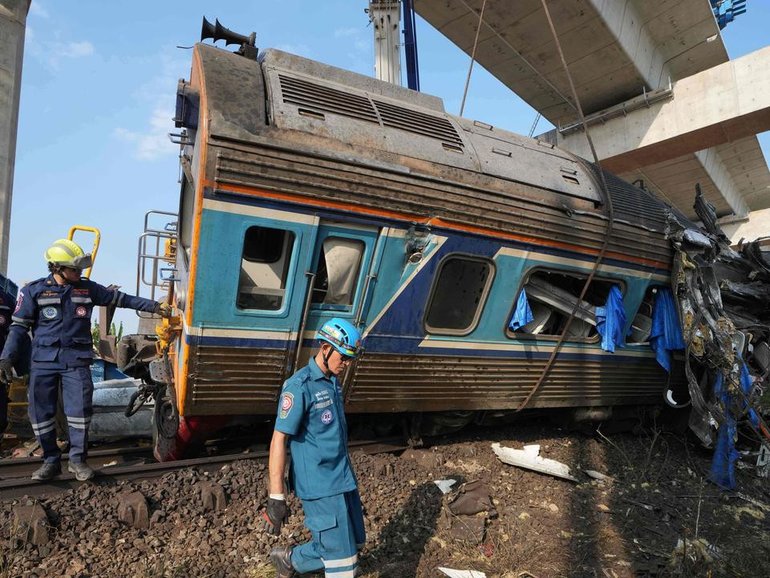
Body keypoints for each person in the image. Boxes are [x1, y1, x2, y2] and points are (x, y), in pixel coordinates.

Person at [0, 239, 173, 481]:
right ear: (57, 268)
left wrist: (155, 306)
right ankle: (50, 461)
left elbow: (121, 299)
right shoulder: (34, 291)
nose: (79, 272)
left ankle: (77, 461)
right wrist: (6, 358)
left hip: (76, 361)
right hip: (43, 362)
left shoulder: (87, 289)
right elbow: (18, 328)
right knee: (40, 414)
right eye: (74, 268)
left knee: (79, 412)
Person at [262, 318, 366, 578]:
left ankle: (289, 560)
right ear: (325, 348)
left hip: (342, 478)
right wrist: (276, 496)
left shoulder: (331, 381)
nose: (347, 364)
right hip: (320, 485)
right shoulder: (299, 387)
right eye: (344, 357)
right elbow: (278, 440)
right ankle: (294, 560)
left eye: (350, 358)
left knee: (354, 543)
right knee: (344, 565)